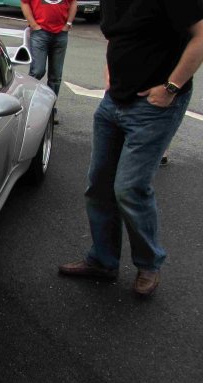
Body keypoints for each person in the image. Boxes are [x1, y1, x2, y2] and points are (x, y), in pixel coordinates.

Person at [58, 0, 203, 296]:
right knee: (99, 184)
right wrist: (110, 71)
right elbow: (115, 36)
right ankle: (103, 261)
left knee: (129, 188)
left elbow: (201, 36)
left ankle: (149, 264)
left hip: (155, 105)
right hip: (114, 101)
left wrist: (171, 87)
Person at [20, 0, 76, 98]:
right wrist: (34, 25)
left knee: (56, 76)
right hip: (40, 33)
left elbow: (73, 2)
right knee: (37, 71)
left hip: (61, 33)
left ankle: (51, 106)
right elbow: (25, 3)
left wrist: (68, 24)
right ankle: (28, 101)